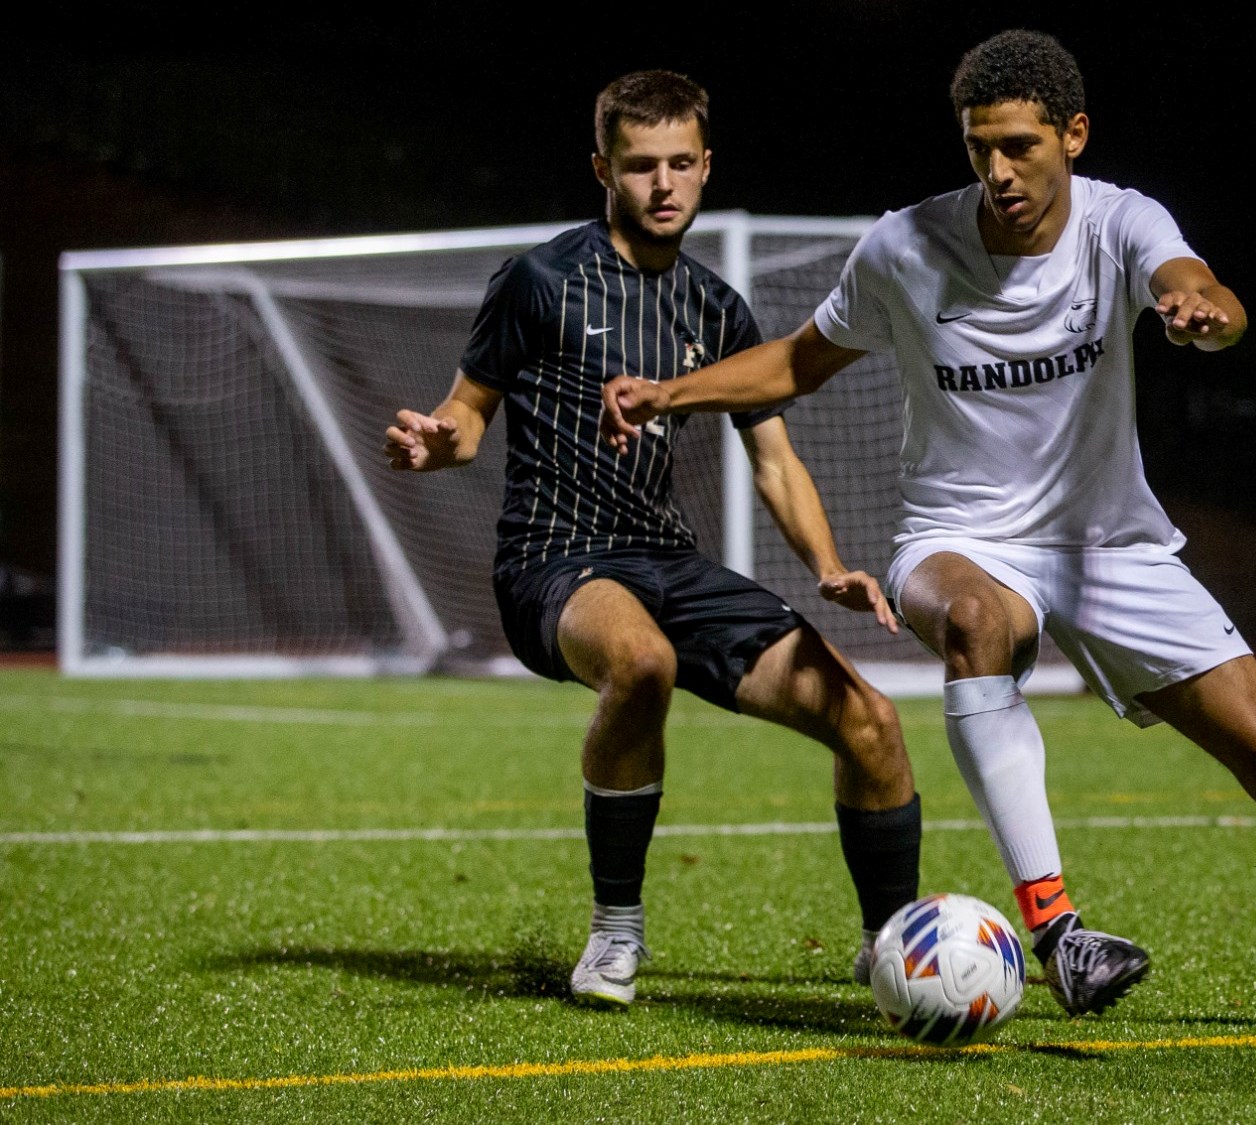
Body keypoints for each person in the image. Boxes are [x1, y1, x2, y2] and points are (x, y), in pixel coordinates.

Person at [597, 32, 1256, 1031]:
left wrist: (1203, 313)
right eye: (979, 148)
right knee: (975, 621)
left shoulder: (1120, 223)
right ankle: (1057, 930)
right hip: (958, 536)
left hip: (1109, 547)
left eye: (1019, 145)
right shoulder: (903, 245)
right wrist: (670, 392)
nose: (999, 171)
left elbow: (1200, 286)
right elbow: (800, 361)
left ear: (1073, 134)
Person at [384, 70, 923, 1010]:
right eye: (640, 166)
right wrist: (438, 442)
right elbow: (466, 417)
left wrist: (829, 564)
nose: (663, 183)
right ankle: (616, 930)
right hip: (554, 558)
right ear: (603, 169)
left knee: (871, 720)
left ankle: (893, 946)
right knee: (642, 662)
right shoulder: (539, 279)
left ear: (707, 165)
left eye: (680, 163)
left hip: (667, 559)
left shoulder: (717, 309)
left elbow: (775, 461)